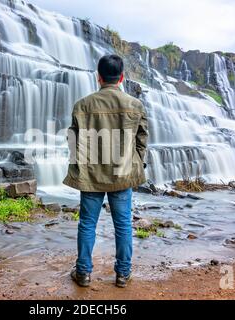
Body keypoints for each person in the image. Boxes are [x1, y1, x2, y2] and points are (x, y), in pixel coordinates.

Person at [63, 54, 149, 288]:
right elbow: (142, 140)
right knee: (123, 224)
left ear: (98, 77)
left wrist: (81, 166)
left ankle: (83, 273)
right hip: (123, 173)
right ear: (121, 78)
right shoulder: (135, 105)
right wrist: (136, 163)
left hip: (91, 173)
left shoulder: (82, 105)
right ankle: (122, 274)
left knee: (87, 224)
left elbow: (73, 139)